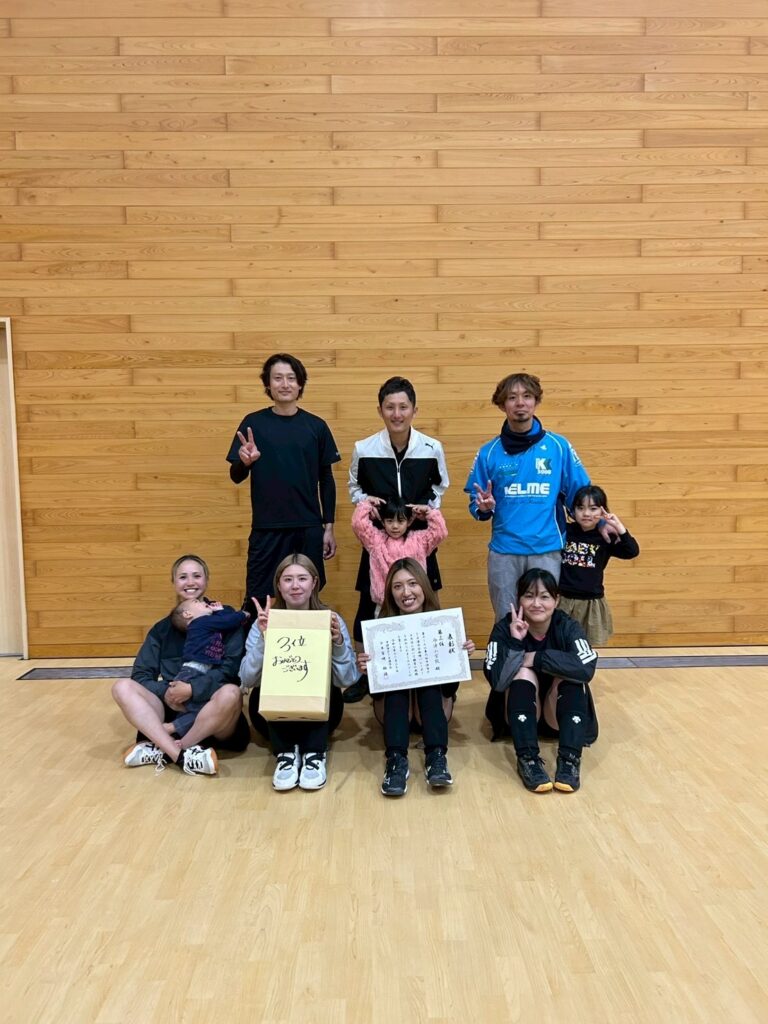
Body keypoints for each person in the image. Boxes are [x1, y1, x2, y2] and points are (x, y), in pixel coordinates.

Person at [346, 376, 449, 702]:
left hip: (418, 540)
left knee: (425, 600)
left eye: (403, 407)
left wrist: (425, 510)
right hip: (379, 540)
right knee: (368, 605)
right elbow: (354, 488)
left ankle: (432, 668)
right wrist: (368, 505)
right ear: (380, 410)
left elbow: (440, 486)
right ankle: (365, 674)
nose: (397, 413)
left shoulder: (432, 448)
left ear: (414, 409)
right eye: (390, 407)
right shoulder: (364, 448)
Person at [465, 372, 592, 622]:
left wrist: (601, 525)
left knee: (543, 621)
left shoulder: (558, 447)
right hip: (504, 552)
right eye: (512, 397)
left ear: (536, 401)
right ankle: (509, 650)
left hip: (547, 550)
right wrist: (483, 508)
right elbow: (475, 502)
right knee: (507, 622)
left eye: (527, 396)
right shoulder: (488, 453)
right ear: (502, 405)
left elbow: (582, 496)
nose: (520, 403)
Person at [112, 555, 250, 775]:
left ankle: (162, 749)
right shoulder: (161, 629)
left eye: (197, 576)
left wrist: (192, 689)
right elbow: (141, 675)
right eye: (183, 577)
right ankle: (180, 755)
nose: (190, 582)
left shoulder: (226, 619)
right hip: (173, 709)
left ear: (206, 580)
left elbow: (230, 672)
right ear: (174, 582)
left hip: (212, 712)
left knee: (231, 693)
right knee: (122, 687)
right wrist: (169, 692)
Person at [226, 352, 340, 607]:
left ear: (300, 384)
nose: (285, 384)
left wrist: (328, 527)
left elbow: (326, 479)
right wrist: (245, 463)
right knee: (257, 598)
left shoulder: (316, 426)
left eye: (291, 378)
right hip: (267, 527)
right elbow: (235, 476)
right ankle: (256, 635)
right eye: (278, 378)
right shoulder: (253, 423)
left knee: (307, 596)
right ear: (268, 384)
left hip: (307, 527)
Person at [357, 558, 476, 798]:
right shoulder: (381, 629)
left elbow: (448, 690)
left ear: (424, 586)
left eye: (412, 583)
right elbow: (376, 694)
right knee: (397, 687)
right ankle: (396, 760)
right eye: (397, 586)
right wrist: (369, 671)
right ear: (390, 593)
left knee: (429, 686)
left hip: (431, 712)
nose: (406, 592)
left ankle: (436, 757)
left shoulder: (442, 624)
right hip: (393, 712)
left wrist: (458, 656)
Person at [239, 554, 356, 791]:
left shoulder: (331, 619)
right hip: (270, 715)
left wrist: (338, 643)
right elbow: (246, 679)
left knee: (320, 683)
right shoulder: (265, 620)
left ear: (314, 583)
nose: (295, 586)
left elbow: (348, 679)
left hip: (324, 711)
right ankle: (286, 755)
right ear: (278, 585)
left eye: (302, 579)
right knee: (279, 681)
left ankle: (314, 754)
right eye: (288, 579)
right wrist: (264, 638)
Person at [483, 568, 598, 795]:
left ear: (557, 600)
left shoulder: (568, 626)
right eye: (529, 596)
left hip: (558, 717)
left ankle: (569, 759)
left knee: (572, 677)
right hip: (520, 719)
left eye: (544, 597)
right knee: (522, 673)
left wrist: (537, 658)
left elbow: (586, 668)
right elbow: (498, 682)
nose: (536, 604)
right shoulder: (504, 628)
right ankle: (528, 759)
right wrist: (516, 643)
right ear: (519, 599)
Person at [558, 485, 640, 647]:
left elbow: (631, 551)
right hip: (563, 600)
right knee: (559, 642)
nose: (586, 513)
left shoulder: (605, 536)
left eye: (593, 508)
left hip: (590, 601)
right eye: (580, 508)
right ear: (573, 510)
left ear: (603, 511)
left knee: (584, 646)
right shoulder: (566, 531)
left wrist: (620, 528)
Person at [168, 598, 251, 737]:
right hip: (193, 672)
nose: (203, 602)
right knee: (203, 710)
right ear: (188, 614)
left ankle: (177, 734)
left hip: (196, 671)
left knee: (201, 708)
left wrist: (219, 611)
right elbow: (227, 622)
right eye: (197, 602)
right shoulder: (201, 622)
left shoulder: (204, 623)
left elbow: (221, 622)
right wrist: (243, 614)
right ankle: (173, 730)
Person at [351, 497, 448, 609]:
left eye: (400, 521)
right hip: (385, 604)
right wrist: (366, 504)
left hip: (414, 601)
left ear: (409, 521)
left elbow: (440, 532)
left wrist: (429, 513)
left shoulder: (419, 541)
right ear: (382, 521)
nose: (395, 526)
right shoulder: (375, 540)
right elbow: (358, 524)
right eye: (390, 521)